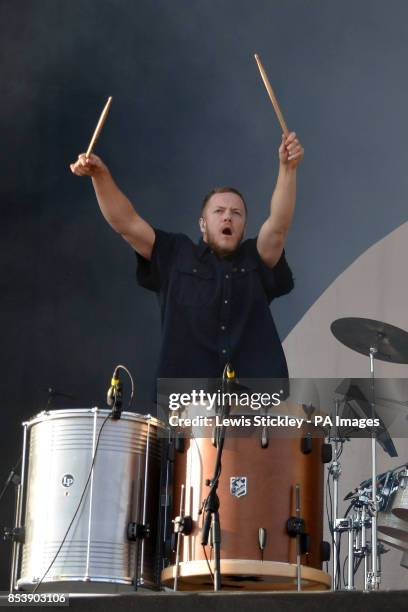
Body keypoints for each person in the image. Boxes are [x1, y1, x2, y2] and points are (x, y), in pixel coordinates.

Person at [70, 132, 304, 381]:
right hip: (187, 402)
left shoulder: (255, 257)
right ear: (202, 225)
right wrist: (100, 176)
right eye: (219, 211)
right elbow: (126, 223)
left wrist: (287, 168)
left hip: (256, 402)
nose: (228, 217)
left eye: (236, 213)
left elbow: (278, 226)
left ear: (244, 228)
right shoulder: (176, 254)